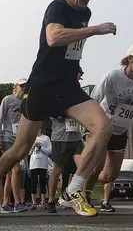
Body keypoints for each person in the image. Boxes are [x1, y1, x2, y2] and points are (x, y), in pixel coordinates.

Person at [0, 0, 116, 218]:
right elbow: (53, 38)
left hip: (67, 87)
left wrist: (75, 65)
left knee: (103, 127)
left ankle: (73, 191)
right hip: (42, 86)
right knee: (20, 149)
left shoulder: (85, 12)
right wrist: (95, 30)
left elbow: (71, 47)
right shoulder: (57, 6)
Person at [85, 43, 133, 213]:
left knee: (111, 175)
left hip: (122, 129)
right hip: (104, 126)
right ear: (131, 59)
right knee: (96, 168)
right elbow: (94, 98)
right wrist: (91, 125)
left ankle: (79, 183)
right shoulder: (113, 76)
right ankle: (84, 197)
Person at [47, 70, 85, 213]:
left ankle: (79, 197)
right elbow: (51, 111)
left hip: (76, 137)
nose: (80, 76)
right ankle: (51, 200)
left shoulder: (78, 92)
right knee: (57, 170)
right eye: (79, 73)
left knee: (83, 167)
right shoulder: (58, 89)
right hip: (61, 137)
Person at [0, 79, 28, 213]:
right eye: (22, 86)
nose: (24, 88)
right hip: (7, 138)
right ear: (16, 86)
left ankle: (5, 203)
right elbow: (0, 118)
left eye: (26, 86)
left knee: (10, 173)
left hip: (19, 139)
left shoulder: (26, 102)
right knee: (16, 168)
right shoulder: (7, 100)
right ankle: (18, 203)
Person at [29, 127, 51, 210]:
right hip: (33, 163)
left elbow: (49, 150)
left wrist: (40, 147)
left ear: (41, 129)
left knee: (42, 182)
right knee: (33, 183)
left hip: (43, 163)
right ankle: (34, 203)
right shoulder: (31, 137)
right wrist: (32, 146)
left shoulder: (46, 138)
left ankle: (43, 202)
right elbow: (28, 152)